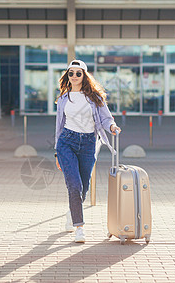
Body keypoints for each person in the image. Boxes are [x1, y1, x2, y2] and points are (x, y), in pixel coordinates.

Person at [54, 59, 121, 243]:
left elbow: (106, 118)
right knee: (74, 185)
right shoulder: (63, 99)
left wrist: (113, 126)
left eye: (78, 73)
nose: (74, 76)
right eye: (71, 73)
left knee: (83, 187)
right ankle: (79, 227)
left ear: (84, 76)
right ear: (67, 76)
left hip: (88, 143)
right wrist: (56, 153)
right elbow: (58, 127)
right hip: (66, 142)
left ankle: (72, 211)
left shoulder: (94, 98)